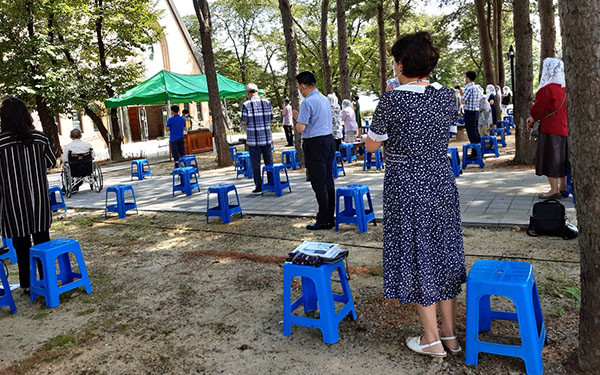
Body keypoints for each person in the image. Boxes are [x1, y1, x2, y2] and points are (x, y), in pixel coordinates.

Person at [365, 32, 466, 359]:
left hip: (407, 186)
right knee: (443, 252)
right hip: (440, 181)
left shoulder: (392, 99)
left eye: (396, 60)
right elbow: (447, 133)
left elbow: (371, 144)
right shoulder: (447, 96)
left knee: (418, 254)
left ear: (402, 63)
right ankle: (450, 335)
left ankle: (431, 338)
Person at [0, 97, 56, 293]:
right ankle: (45, 279)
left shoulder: (0, 143)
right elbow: (51, 163)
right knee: (42, 240)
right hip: (38, 199)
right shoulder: (40, 139)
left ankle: (26, 284)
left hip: (13, 202)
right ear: (26, 115)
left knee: (21, 244)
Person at [292, 71, 335, 230]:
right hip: (328, 141)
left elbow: (301, 127)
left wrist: (297, 119)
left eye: (298, 86)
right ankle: (329, 216)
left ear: (303, 86)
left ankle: (323, 219)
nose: (298, 89)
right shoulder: (324, 99)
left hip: (315, 143)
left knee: (318, 182)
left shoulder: (307, 102)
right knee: (328, 180)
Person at [527, 58, 568, 199]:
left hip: (550, 128)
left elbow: (538, 109)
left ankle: (553, 189)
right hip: (565, 127)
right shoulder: (565, 88)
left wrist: (531, 119)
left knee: (551, 158)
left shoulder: (547, 89)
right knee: (563, 158)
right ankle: (563, 186)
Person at [240, 83, 274, 194]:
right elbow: (271, 119)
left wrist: (244, 126)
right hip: (266, 137)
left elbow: (244, 121)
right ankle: (272, 183)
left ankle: (259, 186)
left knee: (256, 164)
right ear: (257, 91)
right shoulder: (267, 102)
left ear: (248, 93)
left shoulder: (246, 104)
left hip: (253, 139)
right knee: (269, 162)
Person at [62, 128, 94, 193]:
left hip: (74, 168)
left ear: (70, 137)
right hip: (87, 167)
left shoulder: (68, 146)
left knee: (66, 167)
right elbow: (93, 156)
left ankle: (69, 186)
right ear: (81, 136)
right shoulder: (87, 145)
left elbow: (65, 159)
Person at [461, 71, 483, 154]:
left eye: (465, 77)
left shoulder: (469, 88)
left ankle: (475, 152)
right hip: (476, 112)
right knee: (475, 131)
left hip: (469, 112)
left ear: (468, 78)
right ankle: (479, 150)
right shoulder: (476, 87)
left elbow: (463, 101)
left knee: (471, 132)